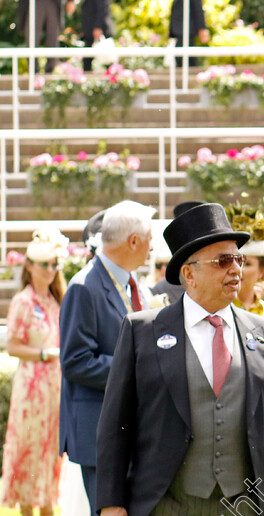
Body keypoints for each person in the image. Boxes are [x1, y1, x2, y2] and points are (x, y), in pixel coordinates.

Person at [96, 202, 264, 516]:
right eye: (223, 261)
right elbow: (115, 425)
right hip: (164, 505)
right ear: (189, 274)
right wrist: (111, 504)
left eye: (239, 258)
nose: (236, 269)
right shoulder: (141, 331)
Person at [59, 200, 156, 515]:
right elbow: (75, 361)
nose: (152, 247)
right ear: (132, 241)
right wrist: (136, 372)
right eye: (149, 238)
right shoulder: (84, 287)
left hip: (131, 428)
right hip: (99, 432)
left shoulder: (133, 283)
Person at [0, 229, 69, 516]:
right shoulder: (22, 302)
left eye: (54, 265)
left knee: (50, 452)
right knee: (29, 453)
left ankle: (48, 508)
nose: (50, 270)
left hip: (54, 389)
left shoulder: (56, 301)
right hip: (31, 391)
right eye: (44, 264)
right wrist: (45, 354)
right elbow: (13, 346)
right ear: (29, 266)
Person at [228, 204, 264, 322]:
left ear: (262, 272)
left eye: (246, 264)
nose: (237, 269)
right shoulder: (217, 313)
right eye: (233, 261)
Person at [169, 0, 209, 68]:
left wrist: (202, 28)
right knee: (185, 57)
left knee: (185, 57)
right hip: (180, 29)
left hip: (187, 29)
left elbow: (197, 8)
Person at [80, 0, 113, 72]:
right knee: (89, 57)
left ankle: (112, 77)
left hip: (97, 28)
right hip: (91, 27)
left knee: (105, 58)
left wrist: (97, 27)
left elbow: (102, 8)